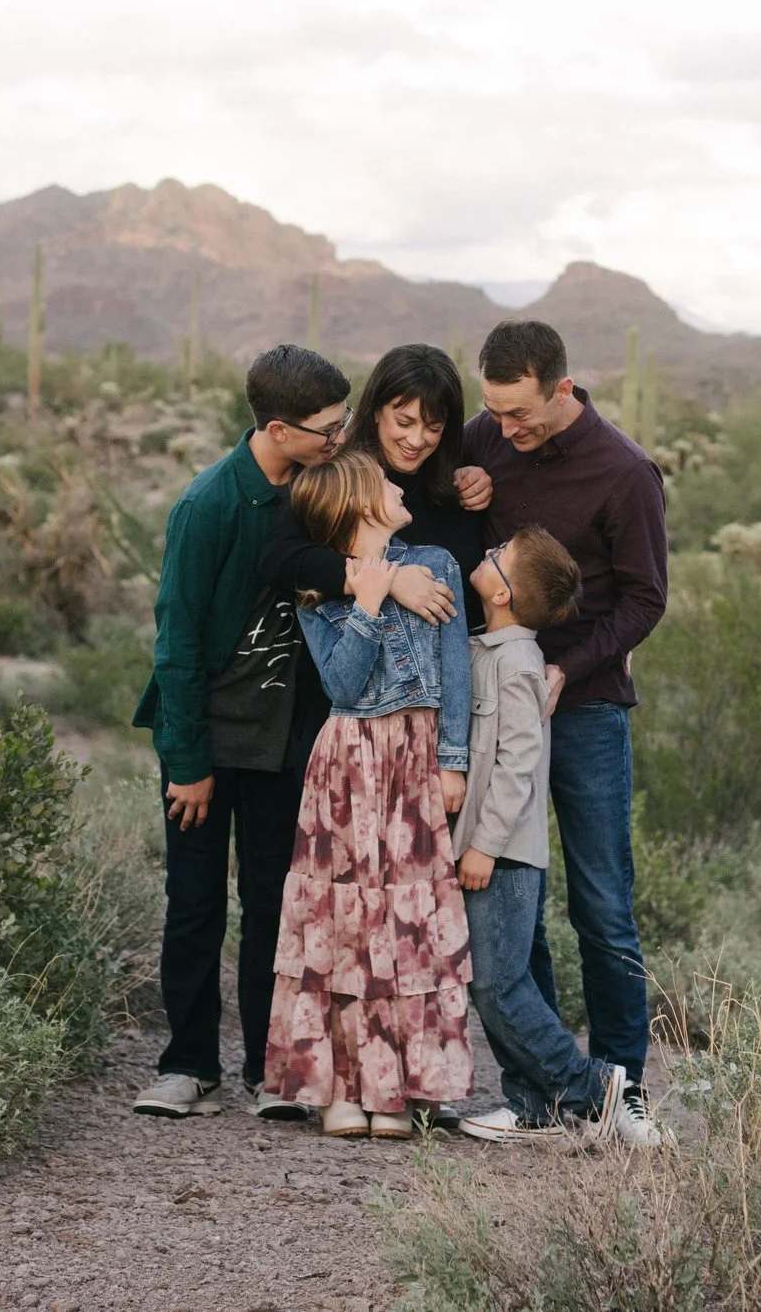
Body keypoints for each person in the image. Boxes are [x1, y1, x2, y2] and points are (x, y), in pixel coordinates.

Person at [460, 319, 669, 1147]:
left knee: (602, 903)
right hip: (498, 701)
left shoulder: (625, 472)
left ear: (563, 387)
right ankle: (544, 1094)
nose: (504, 428)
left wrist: (564, 669)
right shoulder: (487, 437)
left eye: (519, 413)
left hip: (584, 706)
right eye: (493, 411)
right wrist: (464, 482)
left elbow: (645, 599)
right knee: (519, 896)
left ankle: (625, 1085)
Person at [129, 344, 351, 1120]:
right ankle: (188, 1063)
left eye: (344, 422)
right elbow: (176, 641)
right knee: (194, 903)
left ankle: (267, 1067)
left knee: (272, 902)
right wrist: (186, 761)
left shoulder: (324, 486)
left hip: (283, 740)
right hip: (206, 740)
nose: (339, 438)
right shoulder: (209, 505)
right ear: (278, 428)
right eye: (327, 428)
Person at [264, 447, 475, 1138]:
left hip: (416, 758)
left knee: (409, 923)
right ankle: (338, 1089)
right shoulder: (318, 593)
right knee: (344, 924)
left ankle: (400, 1087)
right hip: (349, 764)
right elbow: (343, 684)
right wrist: (369, 602)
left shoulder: (438, 564)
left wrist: (453, 761)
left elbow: (456, 670)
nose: (398, 484)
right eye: (384, 481)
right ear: (360, 503)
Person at [454, 526, 643, 1147]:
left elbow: (518, 765)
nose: (485, 553)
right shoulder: (486, 648)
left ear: (502, 593)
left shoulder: (518, 665)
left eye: (496, 556)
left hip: (503, 854)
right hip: (489, 850)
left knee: (499, 986)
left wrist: (483, 845)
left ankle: (593, 1086)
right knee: (496, 984)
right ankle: (541, 1104)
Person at [259, 342, 490, 633]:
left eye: (433, 427)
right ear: (376, 410)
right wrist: (387, 580)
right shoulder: (340, 477)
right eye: (404, 422)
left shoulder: (460, 481)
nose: (416, 440)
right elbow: (280, 560)